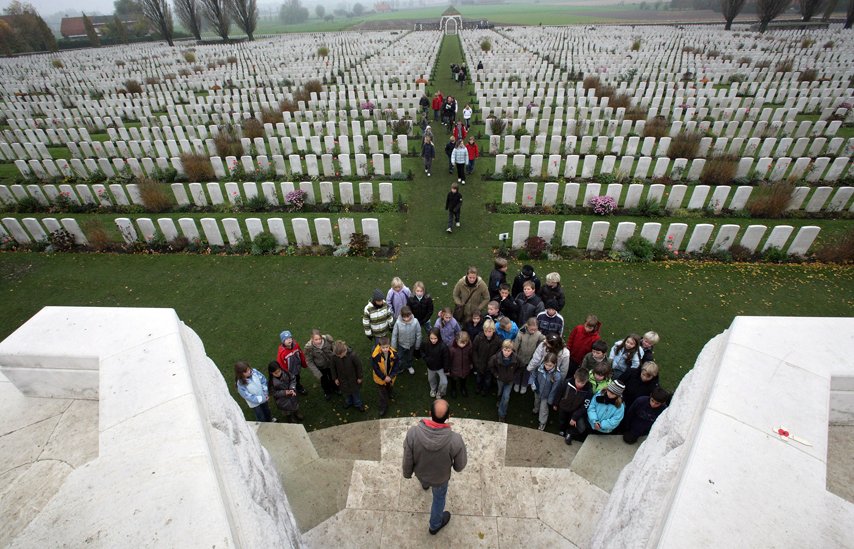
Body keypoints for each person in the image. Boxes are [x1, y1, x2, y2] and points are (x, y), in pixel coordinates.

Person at [402, 399, 468, 536]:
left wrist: (407, 473)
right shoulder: (456, 440)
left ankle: (425, 485)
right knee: (438, 499)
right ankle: (434, 525)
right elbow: (460, 466)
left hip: (421, 474)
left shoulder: (413, 433)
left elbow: (408, 458)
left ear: (429, 413)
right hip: (440, 479)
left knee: (425, 481)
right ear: (448, 416)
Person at [555, 367, 593, 444]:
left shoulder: (588, 391)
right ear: (575, 376)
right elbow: (559, 393)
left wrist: (575, 416)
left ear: (587, 381)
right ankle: (562, 430)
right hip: (563, 407)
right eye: (578, 382)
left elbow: (585, 406)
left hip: (575, 410)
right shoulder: (567, 382)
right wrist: (556, 403)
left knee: (572, 423)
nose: (579, 384)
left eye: (582, 383)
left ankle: (569, 433)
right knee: (562, 420)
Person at [490, 339, 522, 422]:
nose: (506, 352)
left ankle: (501, 414)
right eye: (505, 350)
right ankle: (499, 399)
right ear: (502, 349)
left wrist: (514, 376)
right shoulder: (496, 358)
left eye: (509, 350)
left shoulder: (516, 359)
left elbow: (521, 367)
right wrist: (496, 375)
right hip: (500, 380)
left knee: (506, 397)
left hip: (509, 381)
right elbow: (491, 366)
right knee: (500, 392)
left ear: (512, 350)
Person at [529, 352, 563, 430]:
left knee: (544, 409)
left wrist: (550, 400)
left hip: (546, 396)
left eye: (550, 365)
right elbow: (533, 374)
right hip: (537, 390)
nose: (547, 367)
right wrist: (532, 383)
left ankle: (542, 422)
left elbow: (554, 389)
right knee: (536, 401)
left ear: (554, 364)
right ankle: (536, 409)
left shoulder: (557, 376)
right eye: (546, 364)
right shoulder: (539, 367)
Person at [512, 317, 545, 394]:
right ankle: (517, 383)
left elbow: (544, 339)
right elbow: (516, 346)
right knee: (518, 371)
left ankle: (524, 385)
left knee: (527, 372)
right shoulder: (521, 333)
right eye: (531, 329)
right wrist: (515, 356)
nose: (533, 331)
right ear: (527, 326)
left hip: (530, 358)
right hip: (520, 357)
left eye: (535, 329)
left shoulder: (538, 334)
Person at [304, 329, 337, 401]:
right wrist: (317, 372)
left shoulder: (328, 341)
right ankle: (327, 392)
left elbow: (334, 349)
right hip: (321, 367)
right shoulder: (309, 348)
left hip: (330, 364)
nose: (318, 341)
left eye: (319, 339)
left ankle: (335, 388)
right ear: (312, 339)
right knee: (324, 380)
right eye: (316, 339)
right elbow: (309, 361)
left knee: (333, 376)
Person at [331, 340, 365, 412]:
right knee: (346, 393)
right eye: (338, 356)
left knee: (355, 393)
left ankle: (358, 404)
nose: (339, 357)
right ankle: (348, 402)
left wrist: (360, 377)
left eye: (340, 355)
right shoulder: (334, 357)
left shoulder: (352, 355)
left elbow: (359, 366)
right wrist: (335, 378)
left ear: (345, 351)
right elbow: (333, 368)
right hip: (342, 380)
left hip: (354, 379)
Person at [472, 318, 502, 395]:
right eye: (486, 331)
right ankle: (478, 388)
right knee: (479, 379)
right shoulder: (478, 338)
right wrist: (476, 362)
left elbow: (499, 352)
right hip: (480, 364)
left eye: (490, 331)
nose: (488, 333)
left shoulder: (498, 340)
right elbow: (474, 350)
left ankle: (485, 390)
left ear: (493, 330)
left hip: (490, 365)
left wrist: (493, 361)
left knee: (487, 380)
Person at [371, 336, 399, 417]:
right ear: (380, 346)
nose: (385, 349)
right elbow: (375, 368)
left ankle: (390, 393)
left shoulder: (394, 354)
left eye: (387, 347)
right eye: (383, 347)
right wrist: (383, 377)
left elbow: (396, 366)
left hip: (390, 377)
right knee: (382, 394)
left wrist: (391, 376)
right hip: (380, 378)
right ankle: (383, 407)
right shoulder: (375, 355)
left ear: (389, 345)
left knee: (389, 386)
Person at [392, 306, 422, 375]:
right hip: (401, 344)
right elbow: (394, 335)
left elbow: (418, 334)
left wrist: (417, 345)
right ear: (401, 315)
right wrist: (393, 347)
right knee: (399, 357)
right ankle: (400, 367)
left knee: (410, 356)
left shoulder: (415, 322)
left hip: (411, 344)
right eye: (404, 317)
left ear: (411, 314)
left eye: (408, 316)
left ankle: (409, 366)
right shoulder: (398, 323)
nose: (406, 319)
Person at [277, 330, 308, 395]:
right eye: (286, 339)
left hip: (297, 368)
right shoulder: (282, 353)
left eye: (290, 338)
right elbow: (281, 365)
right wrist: (286, 374)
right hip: (289, 372)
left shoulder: (296, 345)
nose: (289, 340)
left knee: (297, 378)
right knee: (291, 381)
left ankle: (298, 386)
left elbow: (301, 354)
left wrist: (304, 363)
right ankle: (293, 389)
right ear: (283, 341)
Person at [422, 327, 450, 398]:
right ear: (429, 337)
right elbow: (422, 351)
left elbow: (446, 359)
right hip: (430, 367)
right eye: (431, 338)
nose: (433, 340)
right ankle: (433, 390)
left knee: (444, 382)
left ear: (439, 337)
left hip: (440, 367)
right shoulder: (425, 343)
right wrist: (426, 359)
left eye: (435, 338)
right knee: (431, 380)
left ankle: (440, 392)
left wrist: (446, 369)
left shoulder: (443, 347)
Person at [447, 330, 473, 398]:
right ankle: (453, 389)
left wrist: (470, 363)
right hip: (454, 369)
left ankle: (463, 388)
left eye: (464, 343)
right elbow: (449, 359)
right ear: (456, 340)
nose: (462, 345)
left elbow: (471, 356)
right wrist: (449, 369)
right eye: (461, 343)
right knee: (454, 379)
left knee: (464, 379)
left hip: (465, 368)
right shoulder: (452, 349)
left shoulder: (469, 347)